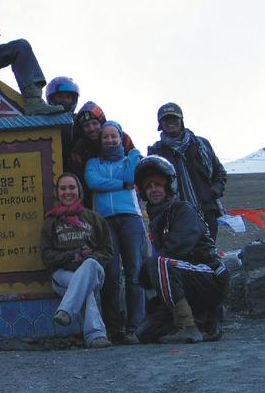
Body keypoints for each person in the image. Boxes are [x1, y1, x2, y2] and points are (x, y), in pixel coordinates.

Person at [133, 155, 230, 344]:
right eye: (149, 186)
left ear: (168, 186)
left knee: (158, 263)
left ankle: (189, 325)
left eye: (158, 184)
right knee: (145, 333)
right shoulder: (156, 220)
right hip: (184, 278)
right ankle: (203, 320)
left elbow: (177, 248)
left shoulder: (182, 209)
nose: (153, 190)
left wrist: (147, 269)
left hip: (209, 274)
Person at [84, 121, 145, 345]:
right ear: (100, 140)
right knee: (110, 274)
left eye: (113, 136)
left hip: (130, 217)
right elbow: (93, 182)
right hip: (104, 221)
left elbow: (132, 178)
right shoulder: (92, 163)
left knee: (134, 272)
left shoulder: (131, 159)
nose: (109, 140)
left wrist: (135, 154)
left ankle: (136, 326)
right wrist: (121, 184)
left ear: (121, 138)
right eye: (105, 137)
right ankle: (114, 328)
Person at [41, 172, 114, 349]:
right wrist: (72, 257)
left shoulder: (94, 219)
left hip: (94, 270)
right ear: (57, 192)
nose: (68, 192)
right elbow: (46, 256)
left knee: (88, 267)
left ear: (79, 191)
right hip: (63, 275)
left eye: (72, 187)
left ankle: (66, 310)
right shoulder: (51, 222)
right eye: (63, 188)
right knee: (83, 285)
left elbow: (107, 251)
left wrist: (89, 256)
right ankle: (96, 336)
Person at [148, 102, 227, 241]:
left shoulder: (202, 145)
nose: (170, 122)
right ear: (160, 124)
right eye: (166, 119)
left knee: (209, 255)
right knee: (181, 257)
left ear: (181, 120)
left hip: (206, 211)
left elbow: (219, 173)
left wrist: (213, 192)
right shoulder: (156, 152)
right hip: (173, 215)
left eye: (174, 118)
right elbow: (150, 183)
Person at [68, 101, 135, 207]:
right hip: (96, 199)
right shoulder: (79, 150)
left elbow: (134, 163)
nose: (91, 128)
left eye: (94, 123)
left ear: (102, 122)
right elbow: (81, 181)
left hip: (126, 197)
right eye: (86, 125)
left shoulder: (121, 137)